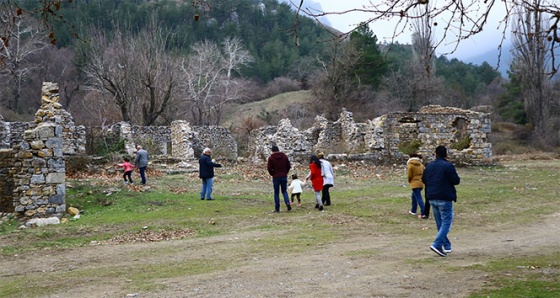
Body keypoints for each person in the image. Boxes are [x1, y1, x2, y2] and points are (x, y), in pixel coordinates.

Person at [422, 145, 460, 257]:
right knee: (447, 222)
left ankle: (446, 245)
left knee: (440, 223)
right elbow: (456, 181)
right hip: (444, 196)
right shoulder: (448, 166)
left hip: (431, 197)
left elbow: (424, 179)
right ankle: (437, 244)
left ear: (435, 154)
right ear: (446, 155)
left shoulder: (429, 166)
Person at [267, 145, 292, 212]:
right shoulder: (284, 156)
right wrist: (285, 172)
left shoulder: (271, 158)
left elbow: (269, 168)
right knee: (284, 191)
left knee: (276, 193)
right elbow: (288, 166)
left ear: (272, 151)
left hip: (276, 177)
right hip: (284, 176)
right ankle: (287, 203)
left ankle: (277, 208)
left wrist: (272, 173)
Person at [407, 153, 425, 218]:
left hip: (414, 182)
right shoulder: (421, 164)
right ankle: (413, 210)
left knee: (418, 197)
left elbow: (409, 174)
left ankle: (424, 211)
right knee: (414, 196)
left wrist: (410, 180)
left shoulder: (410, 165)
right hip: (421, 182)